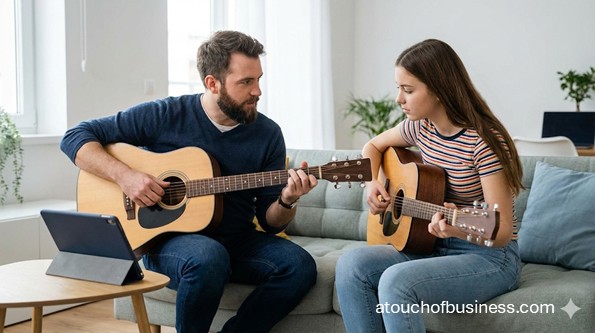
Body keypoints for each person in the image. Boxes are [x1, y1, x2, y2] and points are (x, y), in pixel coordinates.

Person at [60, 30, 318, 333]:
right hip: (167, 239)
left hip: (236, 237)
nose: (257, 91)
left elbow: (271, 222)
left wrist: (288, 199)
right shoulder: (165, 114)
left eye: (259, 79)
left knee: (299, 266)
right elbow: (74, 137)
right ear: (213, 83)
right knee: (208, 256)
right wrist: (127, 177)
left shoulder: (267, 133)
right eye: (246, 82)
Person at [335, 39, 524, 333]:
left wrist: (457, 227)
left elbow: (499, 231)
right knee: (351, 266)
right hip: (433, 245)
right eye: (399, 87)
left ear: (438, 90)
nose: (399, 99)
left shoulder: (484, 142)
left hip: (490, 258)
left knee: (396, 282)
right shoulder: (421, 128)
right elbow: (372, 146)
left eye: (408, 90)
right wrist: (372, 184)